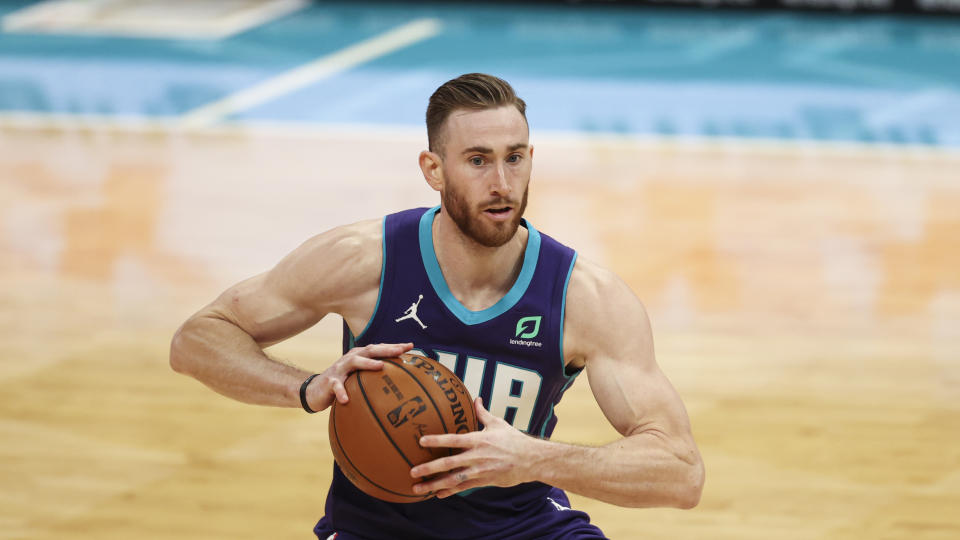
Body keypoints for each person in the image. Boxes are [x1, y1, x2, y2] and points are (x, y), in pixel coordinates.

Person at [170, 73, 704, 540]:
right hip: (373, 529)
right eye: (477, 161)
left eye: (513, 158)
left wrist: (531, 458)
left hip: (525, 527)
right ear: (433, 168)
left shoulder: (584, 298)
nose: (501, 184)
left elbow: (680, 473)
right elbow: (197, 339)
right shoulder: (363, 261)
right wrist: (306, 389)